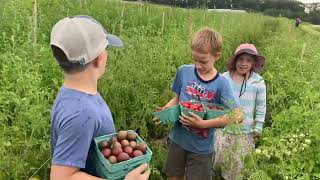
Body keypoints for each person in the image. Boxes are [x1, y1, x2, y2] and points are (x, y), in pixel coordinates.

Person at [49, 15, 150, 180]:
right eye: (106, 48)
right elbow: (61, 177)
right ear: (99, 58)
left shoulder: (75, 93)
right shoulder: (80, 113)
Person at [156, 27, 243, 180]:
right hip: (178, 139)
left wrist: (204, 124)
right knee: (173, 176)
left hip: (201, 148)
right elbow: (177, 98)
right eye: (194, 59)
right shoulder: (184, 71)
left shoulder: (221, 84)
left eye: (203, 61)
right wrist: (167, 109)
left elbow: (238, 114)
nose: (197, 65)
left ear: (217, 56)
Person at [214, 43, 267, 180]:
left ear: (254, 63)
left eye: (249, 60)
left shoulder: (258, 81)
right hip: (223, 129)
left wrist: (258, 127)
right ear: (234, 60)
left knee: (239, 165)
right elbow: (215, 103)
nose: (244, 63)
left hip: (245, 132)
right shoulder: (223, 78)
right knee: (220, 160)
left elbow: (261, 106)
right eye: (241, 59)